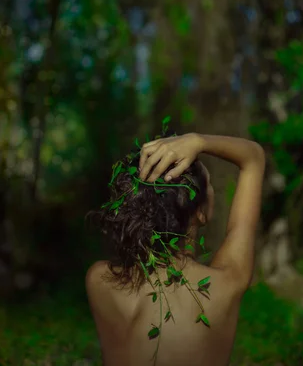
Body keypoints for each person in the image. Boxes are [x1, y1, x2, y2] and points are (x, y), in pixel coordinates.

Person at [86, 131, 265, 366]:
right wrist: (199, 141)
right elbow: (254, 158)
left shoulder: (100, 280)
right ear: (200, 212)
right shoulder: (225, 285)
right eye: (210, 186)